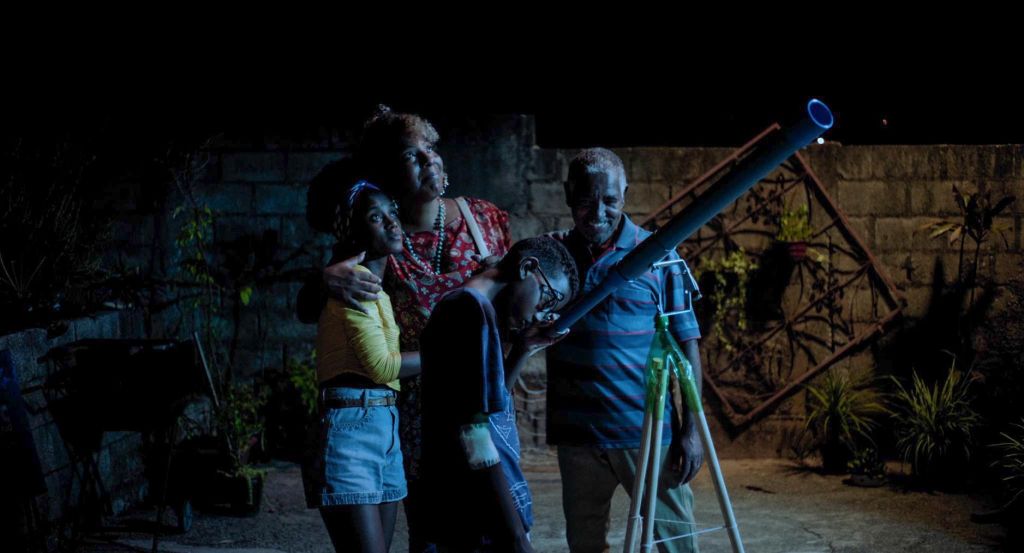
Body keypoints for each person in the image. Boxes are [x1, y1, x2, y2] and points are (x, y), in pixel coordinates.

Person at [301, 106, 513, 552]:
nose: (428, 159)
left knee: (498, 526)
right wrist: (324, 278)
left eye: (430, 148)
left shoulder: (485, 220)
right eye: (410, 156)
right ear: (387, 174)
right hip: (410, 417)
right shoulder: (376, 240)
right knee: (431, 535)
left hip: (481, 403)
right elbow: (310, 305)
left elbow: (516, 306)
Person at [547, 148, 705, 553]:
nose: (598, 212)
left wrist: (692, 430)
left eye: (610, 200)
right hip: (578, 437)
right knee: (585, 545)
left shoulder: (660, 256)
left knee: (676, 542)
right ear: (568, 194)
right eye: (586, 200)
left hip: (648, 433)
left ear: (625, 196)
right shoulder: (549, 256)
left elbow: (687, 345)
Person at [419, 236, 579, 552]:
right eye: (547, 299)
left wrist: (523, 348)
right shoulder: (468, 311)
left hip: (482, 511)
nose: (541, 315)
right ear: (527, 267)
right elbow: (475, 434)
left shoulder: (476, 311)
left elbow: (488, 407)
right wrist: (516, 536)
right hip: (478, 512)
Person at [314, 180, 420, 553]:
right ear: (356, 232)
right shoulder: (352, 284)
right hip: (352, 427)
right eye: (377, 217)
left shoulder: (380, 289)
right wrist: (448, 353)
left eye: (393, 213)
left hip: (384, 423)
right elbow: (381, 367)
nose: (392, 223)